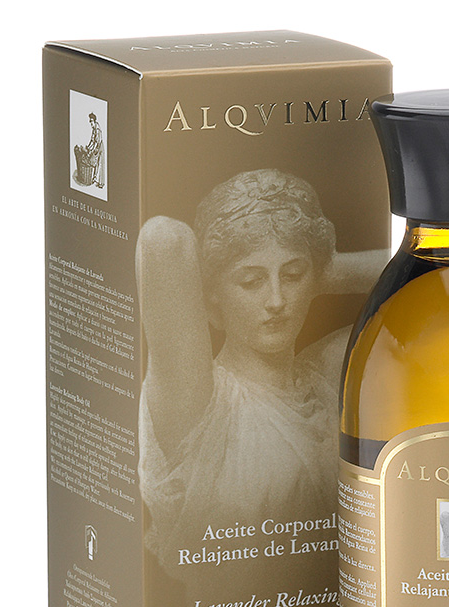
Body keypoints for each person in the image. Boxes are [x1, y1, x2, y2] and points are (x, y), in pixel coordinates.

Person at [136, 169, 387, 574]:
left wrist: (323, 267)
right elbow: (163, 240)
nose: (276, 300)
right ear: (213, 299)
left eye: (292, 276)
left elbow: (429, 274)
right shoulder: (199, 401)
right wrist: (309, 268)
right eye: (251, 281)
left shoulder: (325, 376)